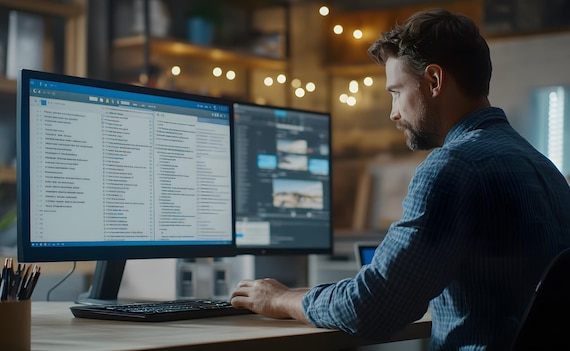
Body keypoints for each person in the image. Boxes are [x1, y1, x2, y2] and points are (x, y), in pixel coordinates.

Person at [230, 8, 570, 350]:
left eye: (396, 91)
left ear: (434, 81)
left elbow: (373, 308)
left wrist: (282, 299)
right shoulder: (544, 168)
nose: (393, 112)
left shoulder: (454, 166)